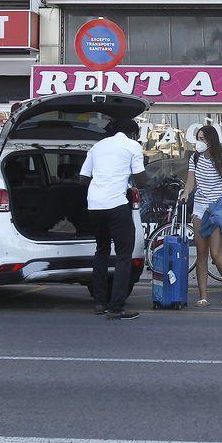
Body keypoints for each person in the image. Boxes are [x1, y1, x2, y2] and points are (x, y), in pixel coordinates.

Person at [79, 119, 149, 321]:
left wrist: (103, 180)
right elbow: (141, 180)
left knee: (101, 250)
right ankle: (116, 307)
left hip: (94, 205)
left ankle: (99, 302)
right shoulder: (132, 146)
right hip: (116, 205)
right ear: (133, 134)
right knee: (123, 255)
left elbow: (83, 178)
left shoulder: (97, 146)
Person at [178, 125, 222, 308]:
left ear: (211, 140)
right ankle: (203, 295)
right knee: (201, 253)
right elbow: (191, 181)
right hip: (199, 208)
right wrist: (185, 193)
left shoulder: (221, 160)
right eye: (198, 138)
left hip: (216, 209)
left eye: (203, 138)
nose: (200, 142)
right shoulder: (194, 157)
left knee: (216, 253)